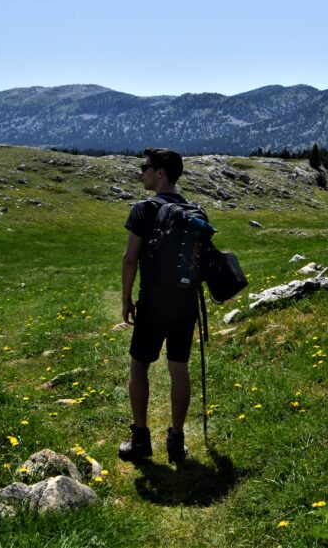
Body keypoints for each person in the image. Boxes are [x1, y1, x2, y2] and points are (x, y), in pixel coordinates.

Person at [118, 148, 197, 464]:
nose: (141, 173)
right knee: (179, 369)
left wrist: (126, 299)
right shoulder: (193, 210)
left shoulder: (143, 209)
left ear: (161, 172)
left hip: (153, 303)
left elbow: (129, 259)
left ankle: (140, 439)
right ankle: (176, 441)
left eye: (145, 167)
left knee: (139, 366)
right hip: (185, 303)